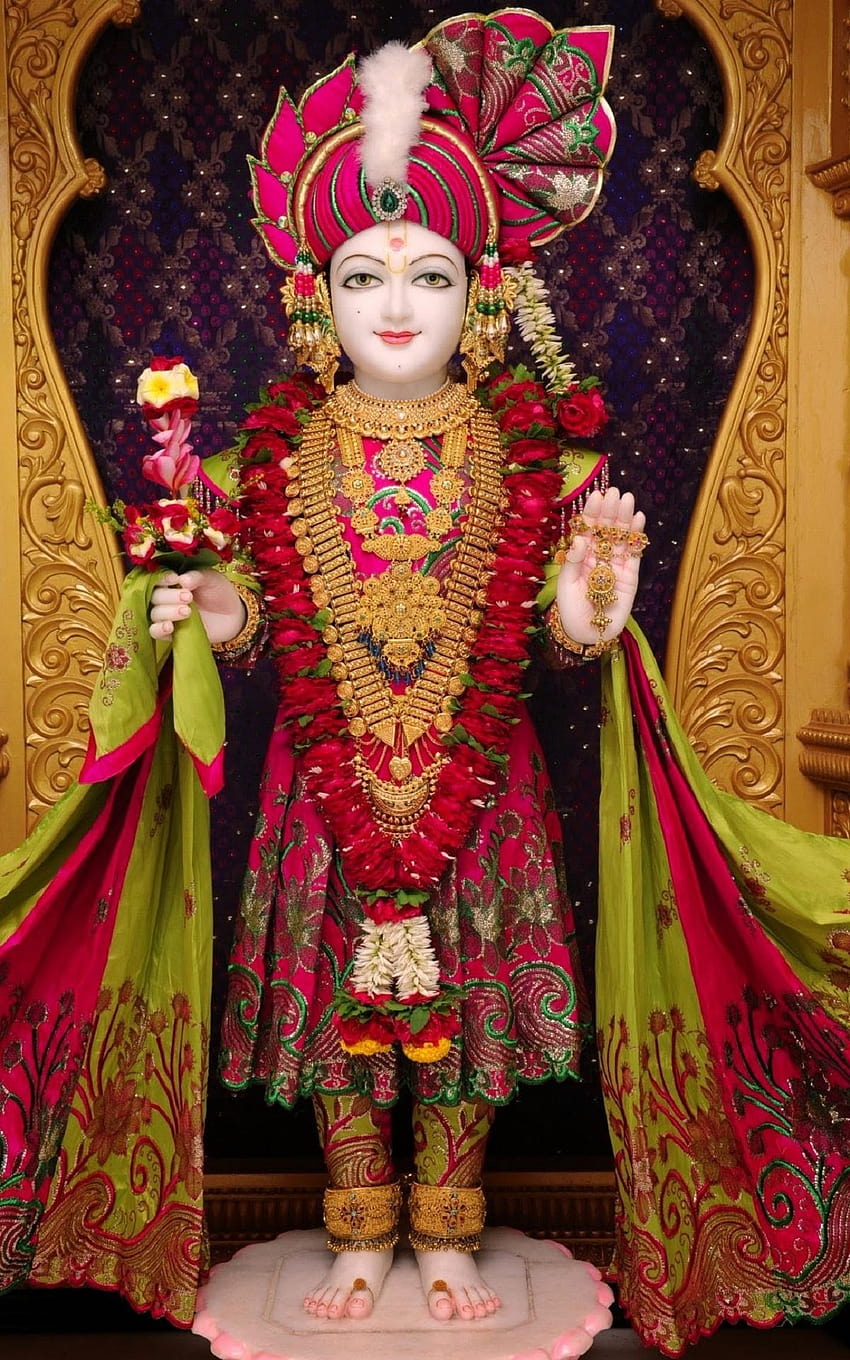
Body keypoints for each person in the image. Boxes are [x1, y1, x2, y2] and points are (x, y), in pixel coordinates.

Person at [148, 16, 638, 1324]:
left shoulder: (536, 455)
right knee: (337, 1027)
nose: (398, 304)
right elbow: (259, 612)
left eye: (426, 273)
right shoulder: (276, 455)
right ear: (317, 296)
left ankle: (446, 1232)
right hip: (327, 784)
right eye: (364, 275)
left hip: (480, 794)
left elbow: (570, 639)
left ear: (479, 293)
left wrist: (601, 586)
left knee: (465, 1017)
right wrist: (209, 602)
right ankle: (356, 1227)